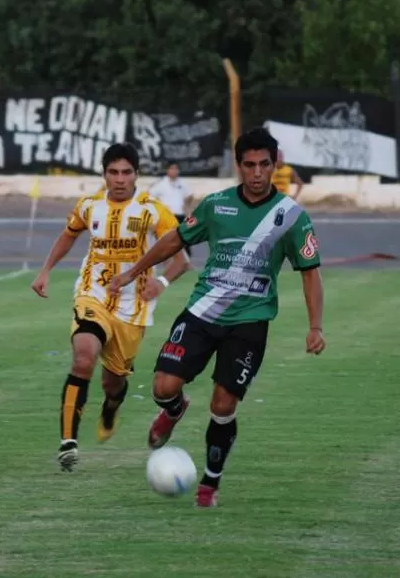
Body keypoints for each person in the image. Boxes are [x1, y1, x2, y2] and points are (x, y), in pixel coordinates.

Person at [108, 127, 326, 507]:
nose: (257, 173)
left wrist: (315, 327)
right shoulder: (216, 205)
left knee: (224, 405)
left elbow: (310, 272)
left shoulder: (291, 217)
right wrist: (132, 271)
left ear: (275, 165)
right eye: (249, 165)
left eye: (264, 165)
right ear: (239, 167)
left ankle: (210, 481)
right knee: (163, 387)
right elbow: (176, 239)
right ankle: (174, 411)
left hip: (250, 320)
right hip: (202, 311)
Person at [31, 142, 193, 472]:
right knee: (83, 357)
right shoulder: (89, 205)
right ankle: (68, 443)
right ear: (104, 174)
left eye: (126, 172)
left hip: (133, 308)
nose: (119, 179)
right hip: (93, 294)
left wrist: (160, 283)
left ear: (136, 175)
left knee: (112, 381)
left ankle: (111, 404)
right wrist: (45, 269)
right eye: (113, 172)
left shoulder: (152, 210)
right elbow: (69, 234)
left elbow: (182, 260)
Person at [149, 162, 195, 257]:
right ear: (167, 170)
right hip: (167, 216)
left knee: (182, 239)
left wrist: (187, 207)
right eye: (172, 169)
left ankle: (184, 260)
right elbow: (149, 195)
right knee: (167, 239)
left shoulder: (182, 183)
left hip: (180, 215)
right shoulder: (161, 183)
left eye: (176, 169)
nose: (174, 171)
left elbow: (189, 196)